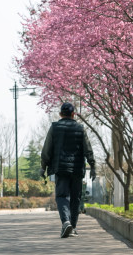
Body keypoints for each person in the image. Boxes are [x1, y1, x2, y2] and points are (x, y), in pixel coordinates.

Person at [41, 101, 96, 238]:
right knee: (75, 198)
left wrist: (43, 167)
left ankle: (66, 222)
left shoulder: (54, 127)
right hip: (77, 169)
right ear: (73, 114)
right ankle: (73, 226)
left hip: (60, 168)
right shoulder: (80, 128)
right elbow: (88, 149)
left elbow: (47, 149)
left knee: (62, 196)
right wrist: (93, 165)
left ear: (60, 114)